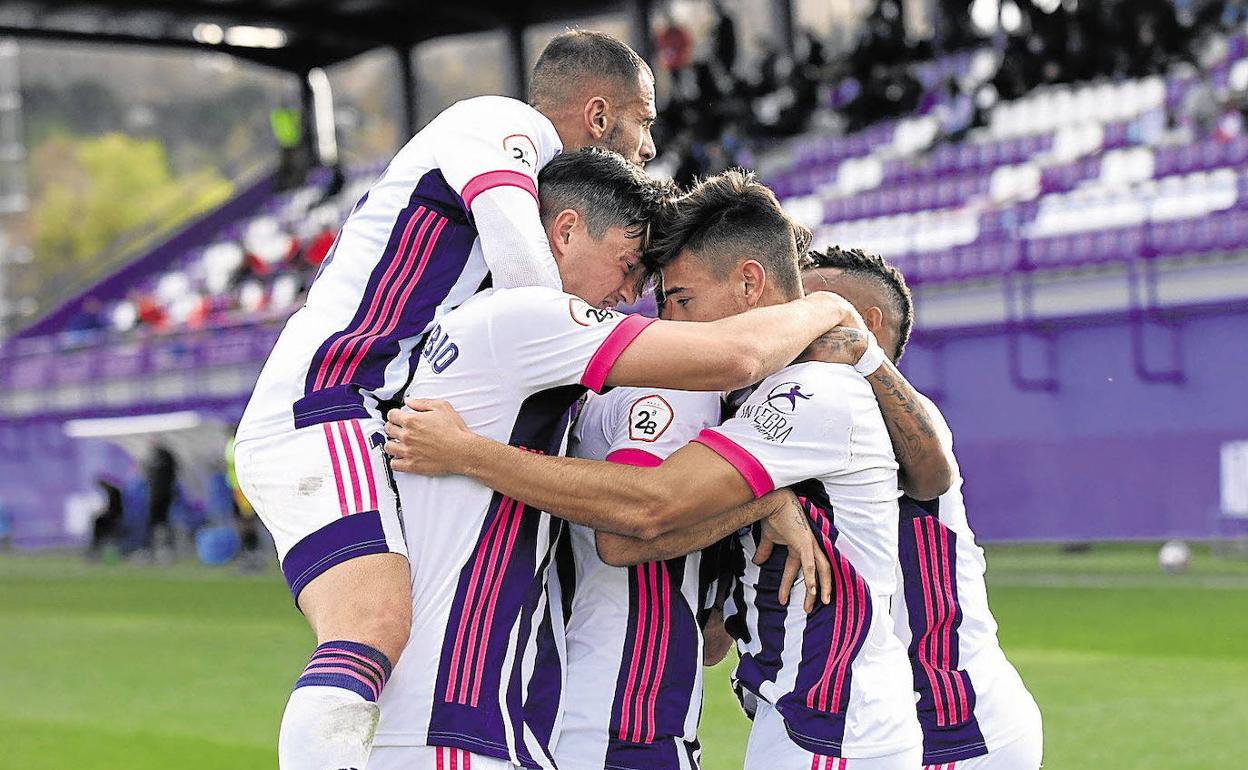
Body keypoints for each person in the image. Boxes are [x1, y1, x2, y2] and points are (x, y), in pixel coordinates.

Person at [384, 171, 951, 770]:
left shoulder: (812, 391)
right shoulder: (731, 398)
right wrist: (765, 507)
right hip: (709, 724)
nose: (668, 324)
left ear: (750, 282)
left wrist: (469, 453)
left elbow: (647, 513)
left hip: (832, 729)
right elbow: (701, 620)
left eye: (680, 299)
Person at [233, 30, 660, 770]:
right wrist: (566, 347)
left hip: (346, 406)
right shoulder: (501, 123)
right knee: (372, 622)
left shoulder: (522, 176)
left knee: (383, 635)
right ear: (598, 115)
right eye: (644, 121)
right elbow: (526, 272)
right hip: (330, 394)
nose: (649, 146)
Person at [802, 246, 1044, 770]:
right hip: (900, 721)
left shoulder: (894, 412)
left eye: (813, 303)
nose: (794, 316)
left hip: (954, 723)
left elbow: (930, 474)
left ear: (865, 322)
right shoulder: (818, 404)